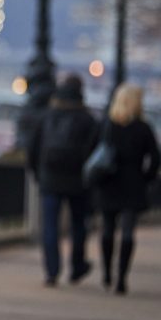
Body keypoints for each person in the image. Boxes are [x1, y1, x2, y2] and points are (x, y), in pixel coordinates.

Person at [27, 74, 99, 287]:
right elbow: (95, 154)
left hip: (50, 179)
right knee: (79, 225)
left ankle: (52, 271)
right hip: (78, 182)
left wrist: (39, 175)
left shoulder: (47, 116)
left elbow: (33, 149)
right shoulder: (87, 119)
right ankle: (77, 267)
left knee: (50, 226)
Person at [94, 84, 161, 295]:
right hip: (133, 183)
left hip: (109, 182)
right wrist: (146, 177)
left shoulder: (107, 125)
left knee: (107, 228)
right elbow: (157, 158)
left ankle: (106, 272)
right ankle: (122, 277)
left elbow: (93, 152)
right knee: (128, 231)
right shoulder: (143, 128)